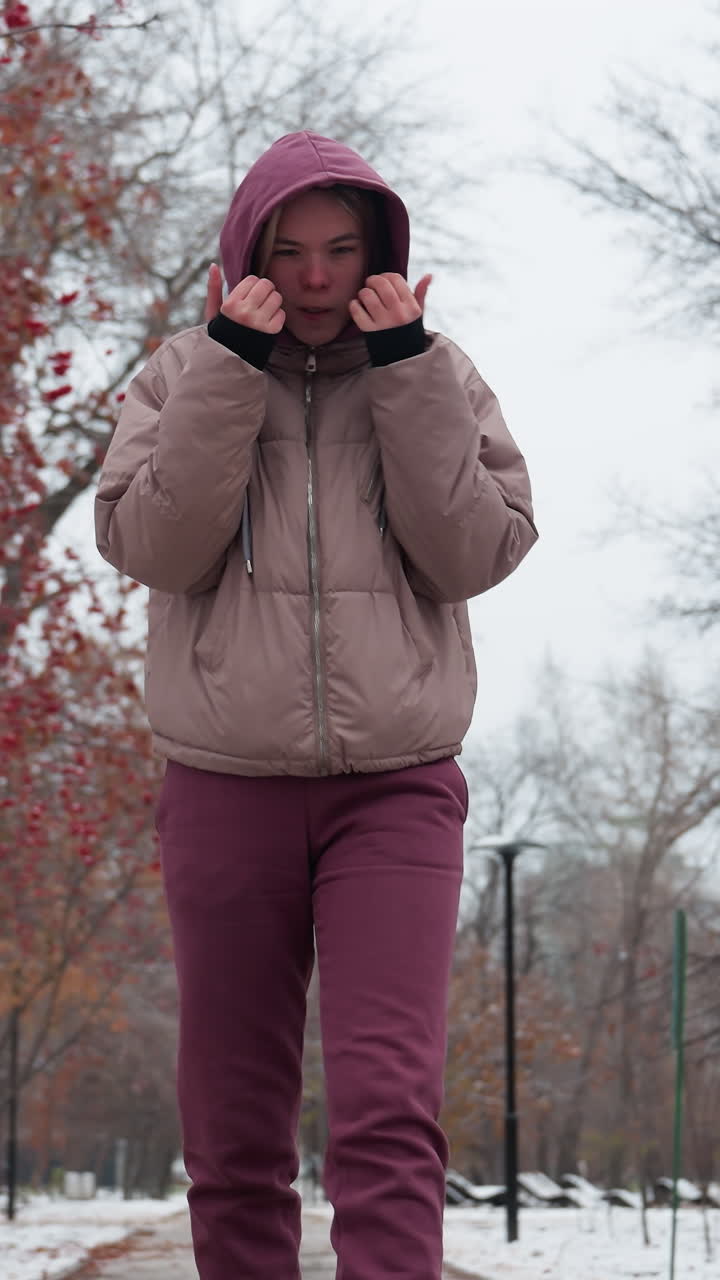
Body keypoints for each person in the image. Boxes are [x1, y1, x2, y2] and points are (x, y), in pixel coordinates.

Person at [94, 130, 537, 1280]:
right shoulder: (176, 371)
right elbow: (156, 542)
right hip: (222, 786)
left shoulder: (436, 367)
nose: (317, 275)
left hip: (397, 786)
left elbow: (475, 552)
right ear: (244, 254)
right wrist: (229, 364)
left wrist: (408, 371)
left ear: (383, 250)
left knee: (388, 1101)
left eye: (344, 248)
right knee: (235, 1122)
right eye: (288, 251)